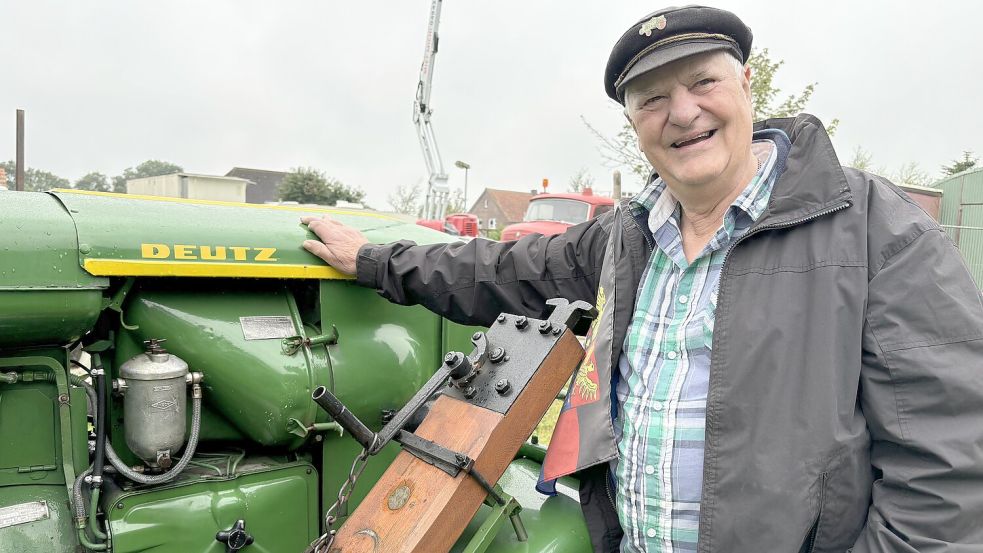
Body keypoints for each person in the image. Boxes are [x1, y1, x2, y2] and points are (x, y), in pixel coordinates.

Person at [301, 6, 983, 552]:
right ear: (633, 125)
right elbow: (498, 269)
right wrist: (373, 260)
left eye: (703, 83)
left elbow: (949, 463)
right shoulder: (625, 238)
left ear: (747, 87)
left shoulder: (872, 228)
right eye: (651, 99)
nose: (680, 112)